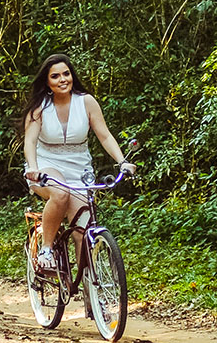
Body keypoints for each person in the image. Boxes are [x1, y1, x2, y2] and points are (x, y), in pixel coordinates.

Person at [21, 53, 136, 269]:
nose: (63, 79)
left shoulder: (86, 102)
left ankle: (89, 295)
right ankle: (46, 249)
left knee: (82, 232)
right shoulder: (39, 107)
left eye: (66, 74)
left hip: (79, 170)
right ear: (47, 81)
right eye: (55, 76)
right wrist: (33, 168)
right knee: (60, 194)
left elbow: (104, 135)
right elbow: (29, 142)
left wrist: (122, 162)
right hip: (46, 166)